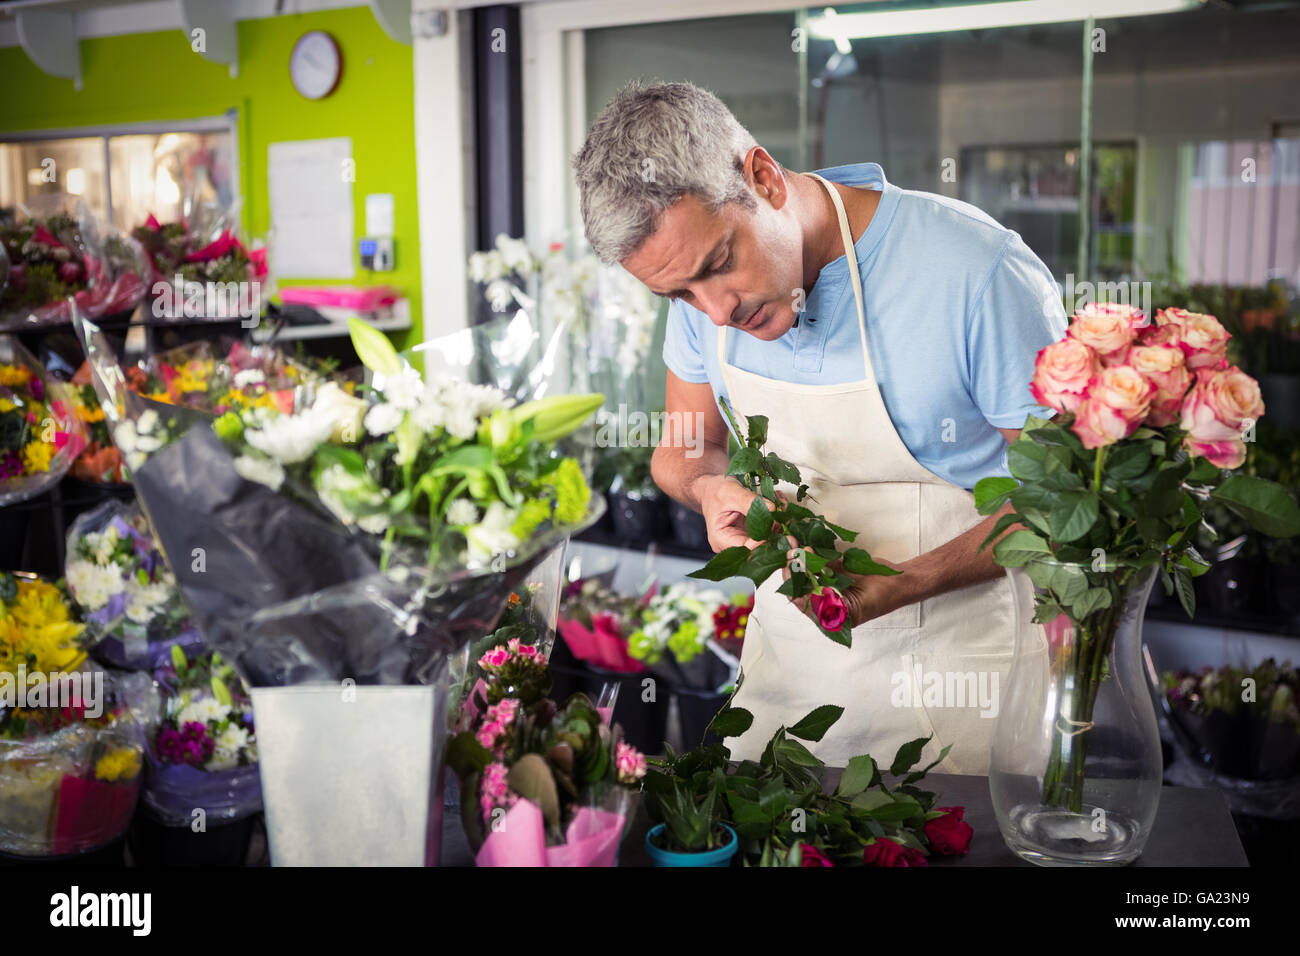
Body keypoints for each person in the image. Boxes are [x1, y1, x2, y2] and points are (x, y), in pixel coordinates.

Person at [573, 80, 1066, 773]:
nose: (714, 312)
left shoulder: (975, 271)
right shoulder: (701, 295)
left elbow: (1067, 503)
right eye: (679, 294)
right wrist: (710, 490)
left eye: (719, 265)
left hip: (967, 687)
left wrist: (910, 581)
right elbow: (684, 450)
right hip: (788, 692)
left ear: (765, 178)